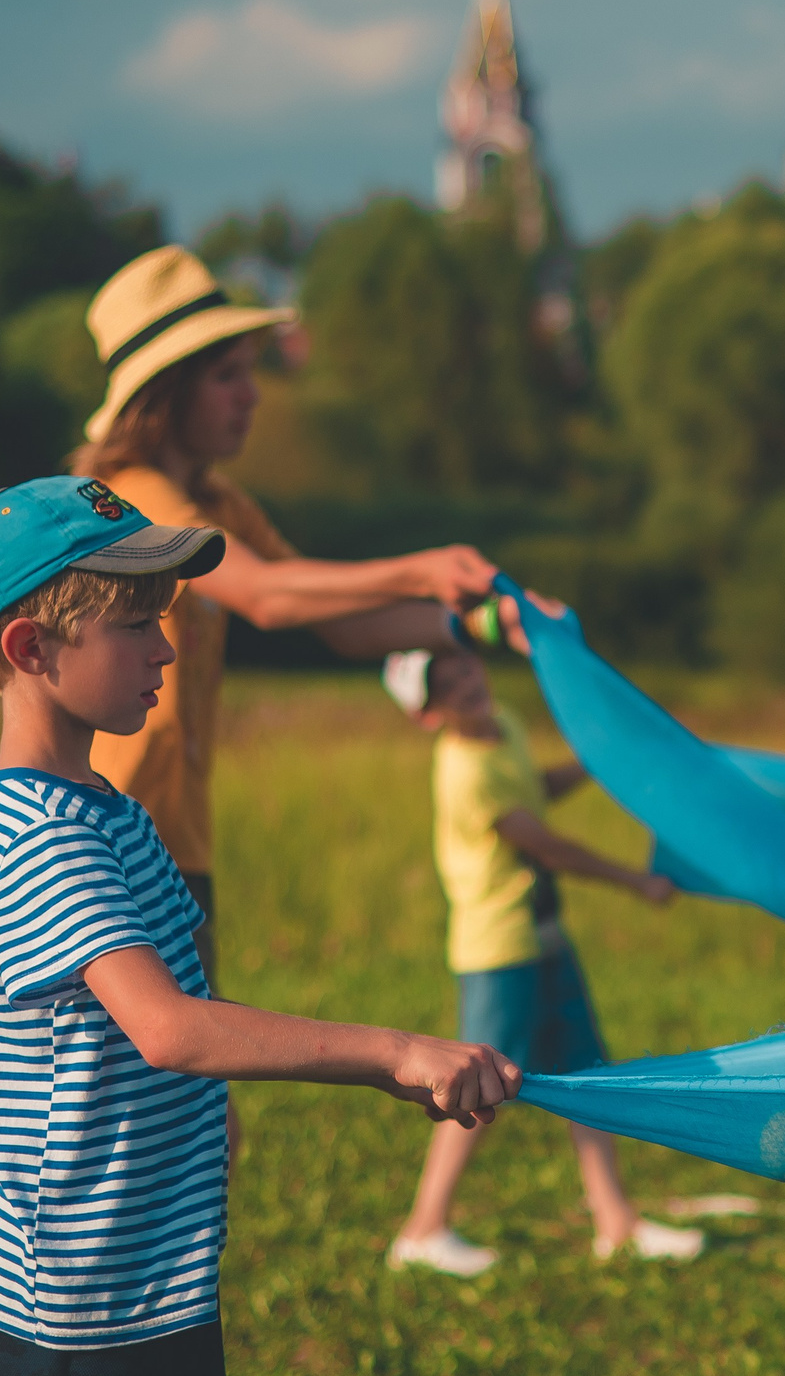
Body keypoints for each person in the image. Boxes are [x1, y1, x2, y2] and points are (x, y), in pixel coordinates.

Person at [0, 477, 519, 1376]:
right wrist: (393, 1053)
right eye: (134, 625)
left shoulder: (108, 812)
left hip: (158, 1290)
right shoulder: (41, 836)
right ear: (32, 649)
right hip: (84, 1317)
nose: (167, 651)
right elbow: (168, 1028)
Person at [72, 244, 500, 986]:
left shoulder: (217, 502)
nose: (253, 396)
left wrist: (481, 623)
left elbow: (340, 622)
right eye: (227, 376)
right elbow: (266, 596)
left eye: (251, 372)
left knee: (190, 1057)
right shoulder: (130, 497)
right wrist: (421, 569)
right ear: (167, 392)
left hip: (177, 842)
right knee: (174, 1054)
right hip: (113, 839)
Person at [381, 641, 707, 1274]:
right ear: (428, 715)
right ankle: (422, 1230)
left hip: (544, 934)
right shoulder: (466, 773)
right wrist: (635, 882)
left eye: (464, 668)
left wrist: (595, 763)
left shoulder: (503, 724)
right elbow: (546, 847)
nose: (467, 684)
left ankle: (616, 1223)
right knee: (473, 1087)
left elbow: (536, 789)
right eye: (446, 687)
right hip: (499, 948)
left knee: (587, 1075)